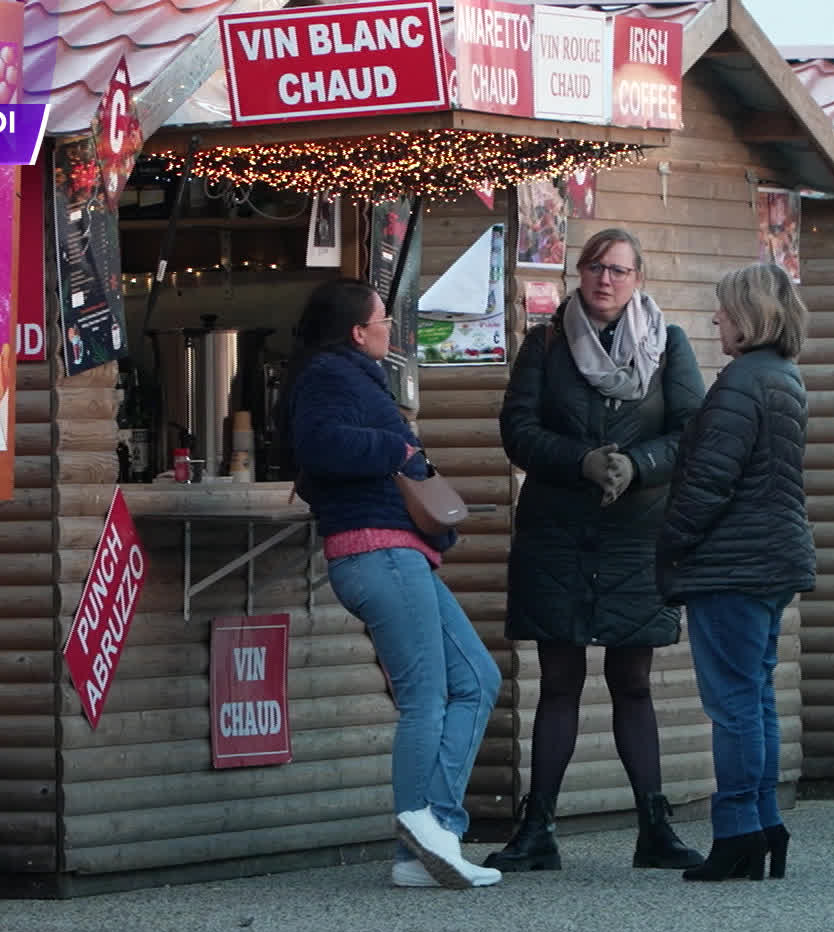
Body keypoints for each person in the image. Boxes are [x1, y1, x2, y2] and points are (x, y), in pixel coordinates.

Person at [488, 227, 706, 873]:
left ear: (638, 279)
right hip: (556, 533)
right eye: (594, 267)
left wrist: (637, 465)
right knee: (558, 681)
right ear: (578, 274)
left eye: (618, 270)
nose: (605, 279)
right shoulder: (546, 342)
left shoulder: (667, 343)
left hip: (638, 534)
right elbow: (518, 430)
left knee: (632, 682)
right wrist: (580, 460)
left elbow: (691, 433)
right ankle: (538, 830)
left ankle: (654, 828)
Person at [281, 279, 503, 890]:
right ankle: (424, 835)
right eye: (383, 319)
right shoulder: (329, 376)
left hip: (398, 553)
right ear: (358, 332)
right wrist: (397, 448)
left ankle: (433, 837)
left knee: (477, 679)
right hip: (376, 552)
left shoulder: (351, 376)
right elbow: (319, 446)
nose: (391, 329)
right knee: (425, 699)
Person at [658, 262, 816, 883]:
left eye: (723, 309)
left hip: (732, 564)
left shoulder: (740, 384)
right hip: (773, 559)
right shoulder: (784, 377)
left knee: (733, 706)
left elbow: (707, 484)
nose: (715, 319)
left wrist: (671, 546)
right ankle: (765, 823)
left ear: (748, 315)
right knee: (756, 698)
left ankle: (737, 832)